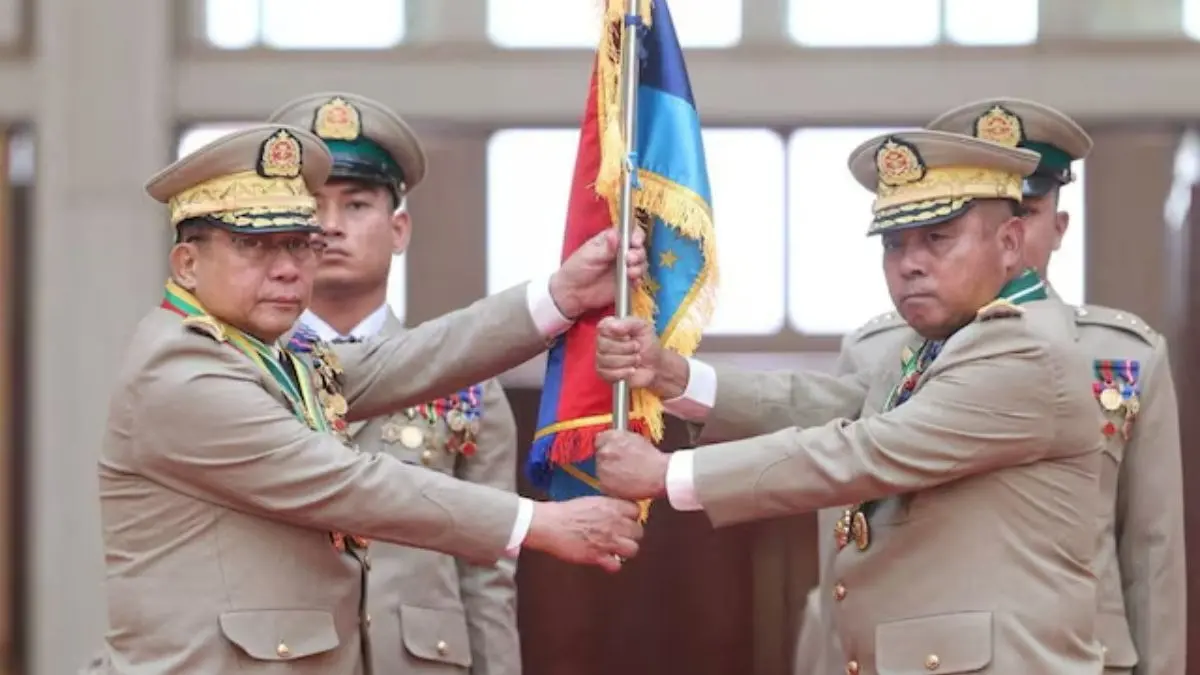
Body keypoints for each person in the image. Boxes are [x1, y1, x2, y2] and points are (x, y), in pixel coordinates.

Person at [95, 123, 648, 674]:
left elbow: (402, 360)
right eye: (252, 246)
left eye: (296, 244)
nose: (287, 268)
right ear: (187, 264)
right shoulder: (184, 370)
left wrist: (561, 296)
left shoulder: (261, 354)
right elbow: (347, 482)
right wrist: (540, 524)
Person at [592, 129, 1110, 674]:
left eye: (938, 238)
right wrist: (674, 376)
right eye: (894, 243)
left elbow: (866, 449)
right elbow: (834, 405)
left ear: (1008, 243)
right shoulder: (942, 340)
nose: (910, 263)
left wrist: (671, 475)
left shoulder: (1022, 348)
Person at [794, 99, 1186, 675]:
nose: (1013, 234)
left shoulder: (1124, 356)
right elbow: (846, 541)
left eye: (1026, 210)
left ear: (1057, 227)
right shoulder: (881, 354)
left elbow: (1152, 556)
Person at [268, 92, 523, 675]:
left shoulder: (466, 385)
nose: (330, 227)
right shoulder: (240, 374)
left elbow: (487, 576)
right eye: (312, 207)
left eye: (356, 205)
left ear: (399, 228)